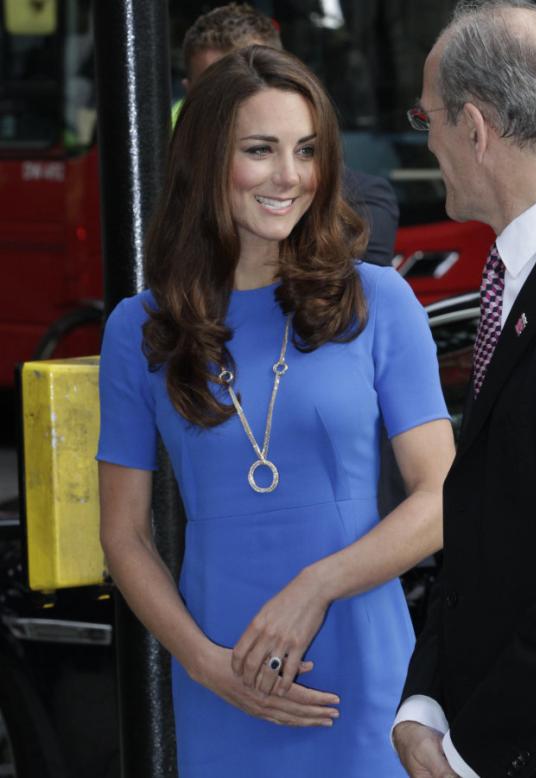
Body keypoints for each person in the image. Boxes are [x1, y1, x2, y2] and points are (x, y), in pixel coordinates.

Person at [98, 45, 454, 777]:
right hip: (220, 674)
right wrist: (202, 663)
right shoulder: (140, 329)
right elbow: (124, 535)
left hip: (361, 667)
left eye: (306, 151)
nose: (289, 176)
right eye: (259, 151)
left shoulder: (377, 301)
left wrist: (314, 586)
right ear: (204, 162)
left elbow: (442, 497)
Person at [392, 2, 536, 777]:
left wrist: (468, 753)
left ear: (475, 128)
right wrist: (424, 700)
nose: (426, 141)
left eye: (428, 117)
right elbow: (491, 517)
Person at [174, 2, 400, 268]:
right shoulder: (157, 193)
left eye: (253, 80)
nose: (288, 177)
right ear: (191, 94)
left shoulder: (359, 203)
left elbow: (347, 293)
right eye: (215, 93)